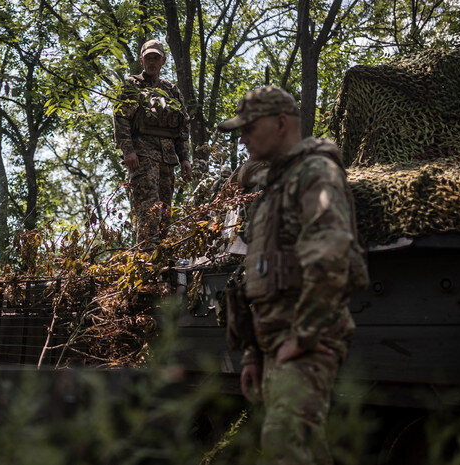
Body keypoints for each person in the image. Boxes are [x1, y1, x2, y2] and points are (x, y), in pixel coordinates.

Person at [217, 86, 368, 464]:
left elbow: (330, 252)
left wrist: (304, 335)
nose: (243, 137)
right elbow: (259, 276)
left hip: (305, 340)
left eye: (250, 128)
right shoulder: (274, 187)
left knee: (286, 443)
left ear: (281, 123)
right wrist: (254, 353)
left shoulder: (316, 173)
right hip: (276, 345)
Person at [113, 39, 193, 250]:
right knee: (149, 211)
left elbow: (182, 127)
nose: (152, 62)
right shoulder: (132, 85)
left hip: (168, 159)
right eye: (148, 57)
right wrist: (128, 151)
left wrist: (185, 158)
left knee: (165, 213)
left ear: (163, 61)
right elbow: (120, 119)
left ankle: (162, 261)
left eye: (156, 58)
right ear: (141, 59)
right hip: (142, 158)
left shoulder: (172, 91)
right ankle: (147, 264)